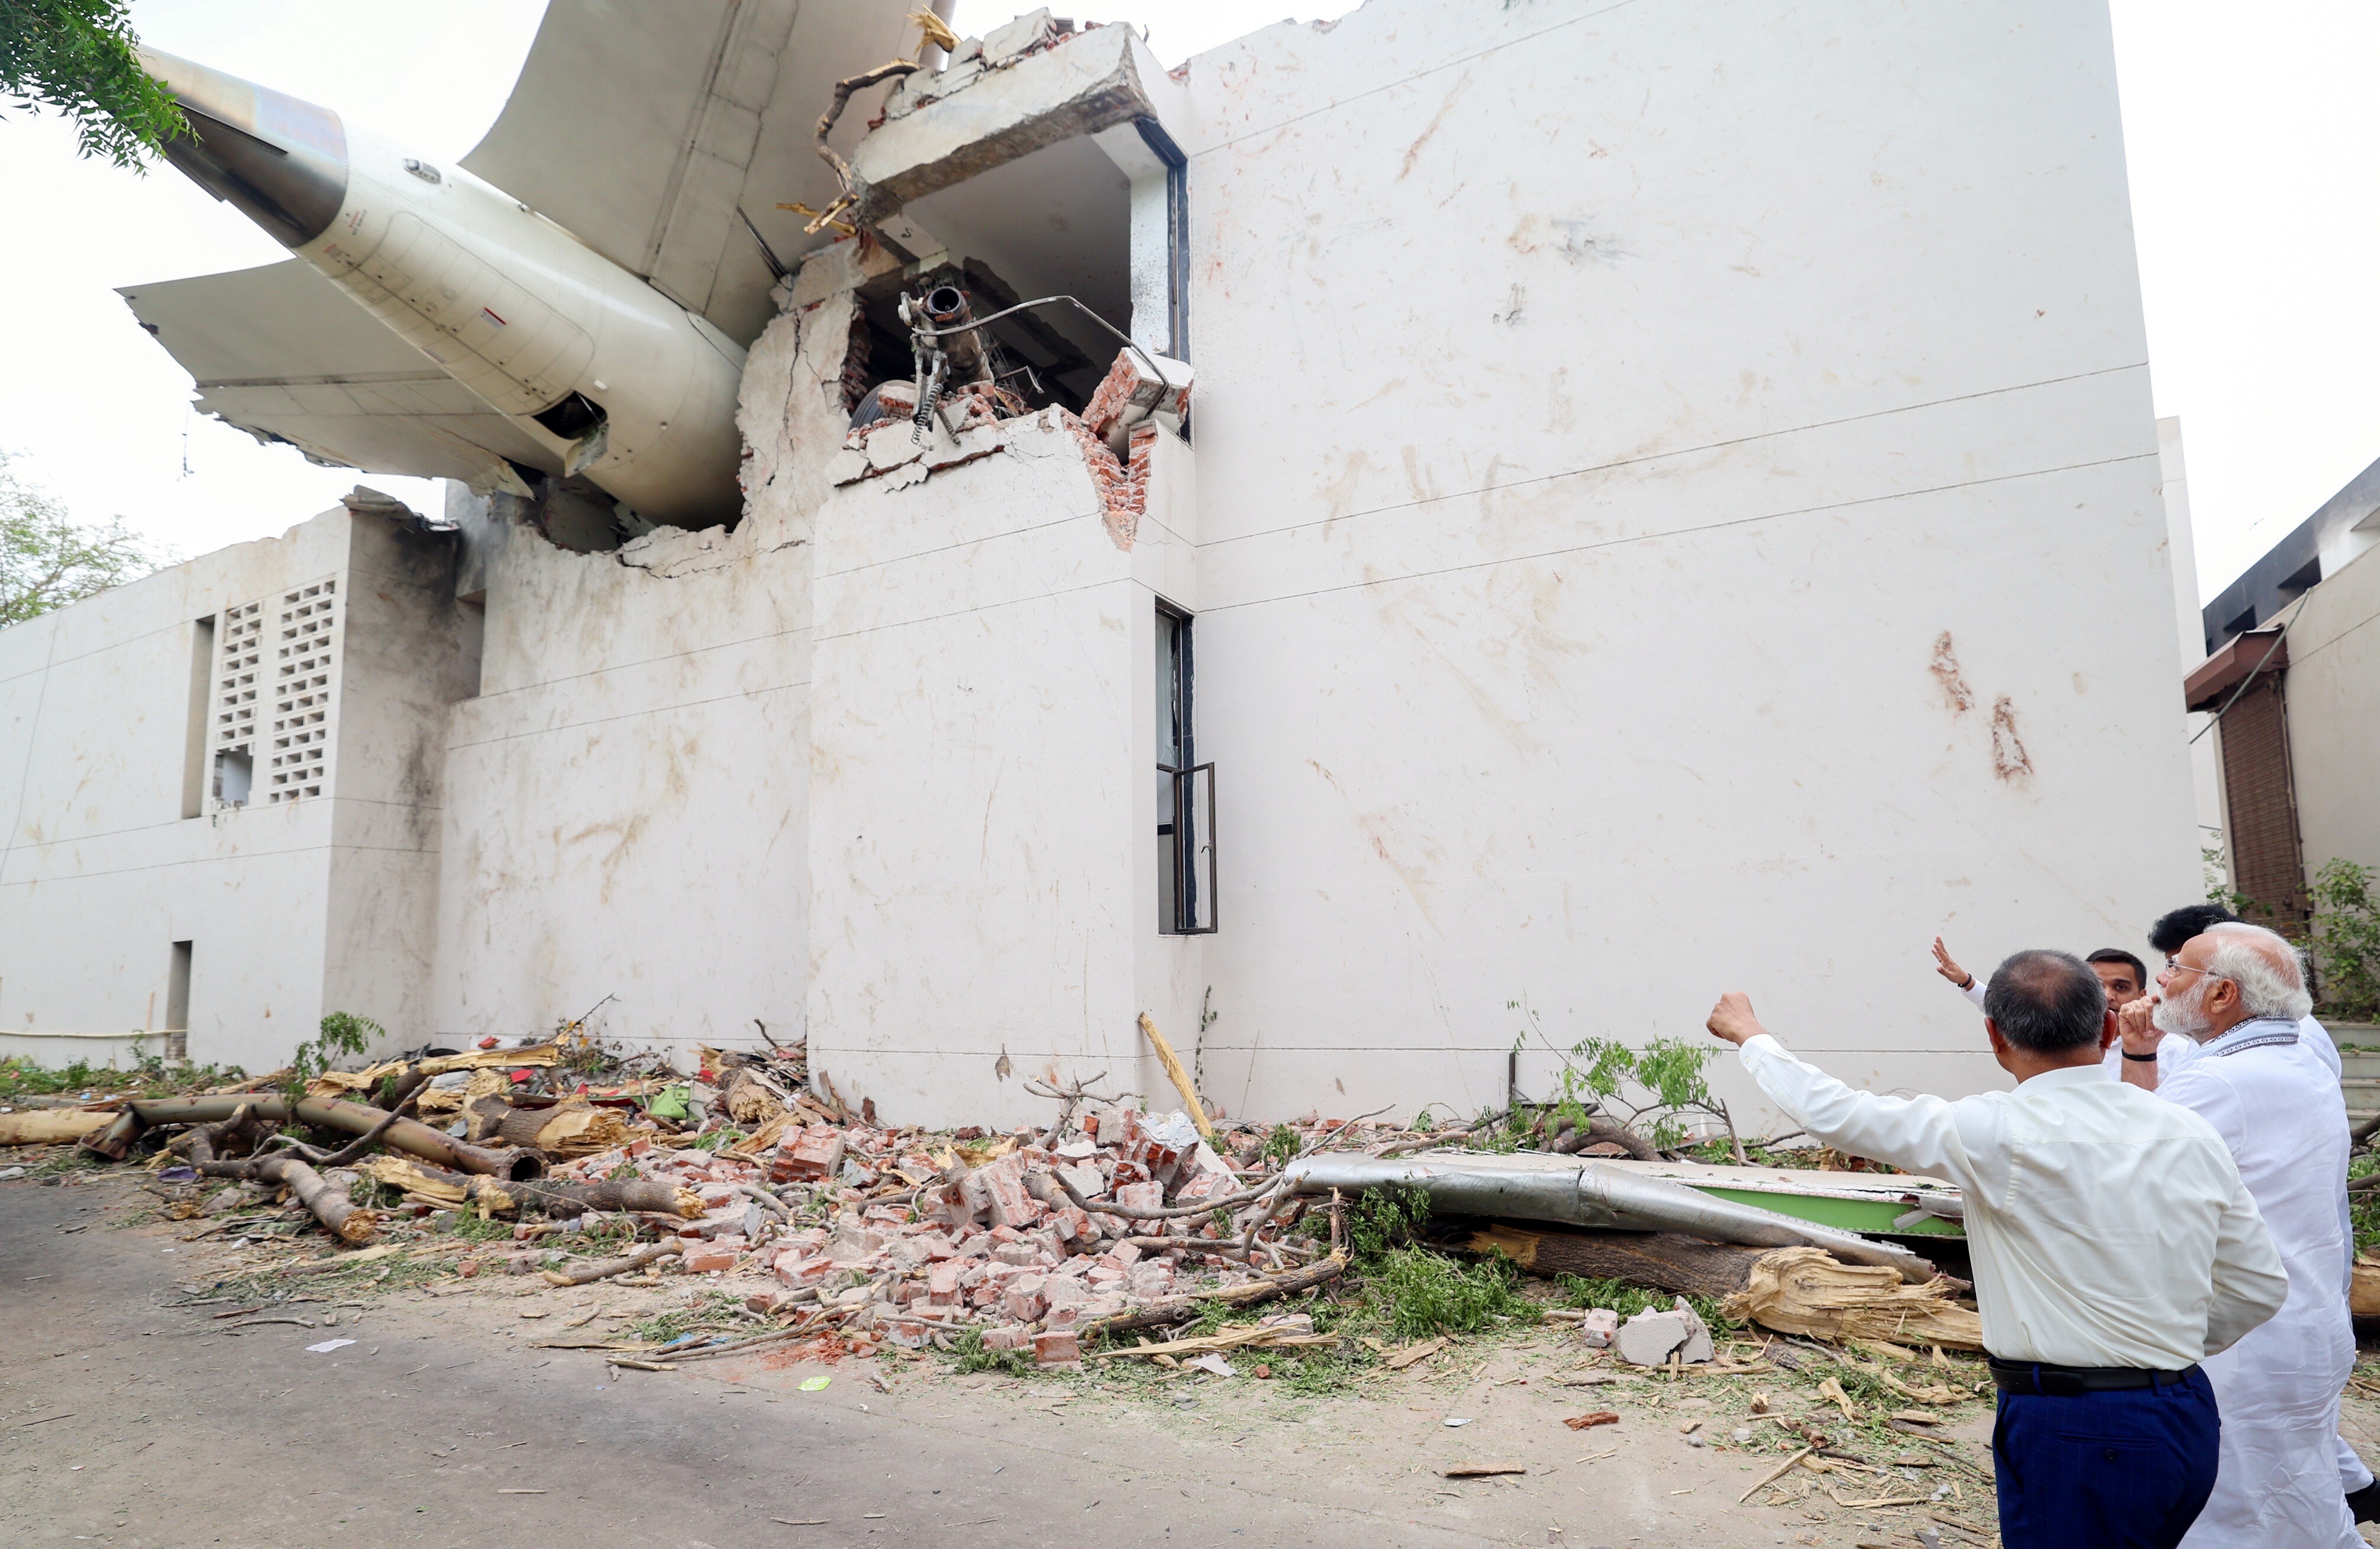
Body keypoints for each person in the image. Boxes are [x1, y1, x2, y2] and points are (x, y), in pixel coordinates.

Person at [1707, 952, 2287, 1549]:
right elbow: (2260, 1284)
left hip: (2078, 1425)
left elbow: (1840, 1113)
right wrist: (2162, 1348)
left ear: (1994, 1034)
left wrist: (1752, 1036)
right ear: (2109, 1028)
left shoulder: (1997, 1128)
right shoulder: (2188, 1130)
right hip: (2185, 1414)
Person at [2133, 906, 2373, 1522]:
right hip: (2304, 1323)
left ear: (2222, 993)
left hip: (2246, 1342)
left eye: (2175, 969)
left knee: (2237, 1513)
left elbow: (2129, 1187)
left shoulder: (2220, 1081)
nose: (2161, 981)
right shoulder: (2298, 1058)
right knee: (2303, 1506)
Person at [1932, 937, 2193, 1085]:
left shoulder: (2175, 1052)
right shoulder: (2065, 1033)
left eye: (2121, 987)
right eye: (2098, 986)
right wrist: (1967, 982)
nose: (2108, 995)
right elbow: (2020, 1008)